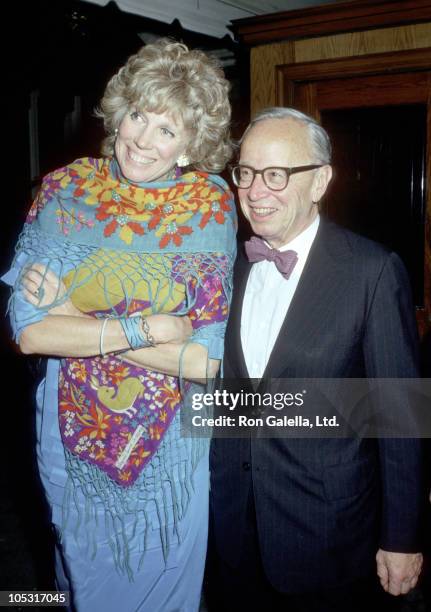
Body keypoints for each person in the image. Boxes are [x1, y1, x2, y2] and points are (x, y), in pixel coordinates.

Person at [2, 39, 236, 612]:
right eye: (138, 116)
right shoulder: (66, 191)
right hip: (71, 445)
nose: (143, 141)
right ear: (118, 112)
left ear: (189, 146)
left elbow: (203, 361)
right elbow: (30, 331)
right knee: (80, 587)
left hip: (171, 459)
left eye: (167, 130)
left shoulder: (210, 206)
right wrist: (155, 329)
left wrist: (75, 317)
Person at [208, 107, 425, 612]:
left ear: (320, 181)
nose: (256, 191)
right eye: (246, 173)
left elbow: (400, 416)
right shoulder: (224, 264)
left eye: (277, 174)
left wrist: (402, 536)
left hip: (327, 534)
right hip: (231, 526)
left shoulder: (371, 272)